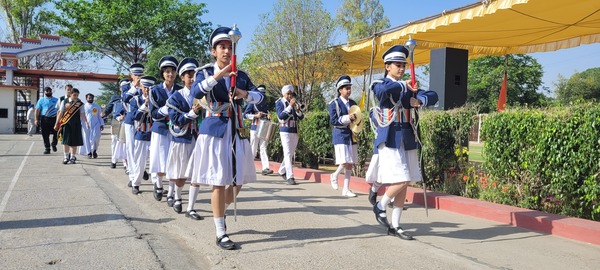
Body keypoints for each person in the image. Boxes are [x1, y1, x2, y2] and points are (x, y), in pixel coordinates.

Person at [189, 26, 265, 250]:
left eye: (229, 47)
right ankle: (220, 231)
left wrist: (244, 94)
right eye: (222, 47)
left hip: (237, 129)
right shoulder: (204, 72)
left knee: (237, 181)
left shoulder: (240, 75)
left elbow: (260, 96)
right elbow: (196, 92)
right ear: (214, 51)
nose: (226, 51)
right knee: (219, 182)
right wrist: (219, 76)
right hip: (214, 131)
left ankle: (219, 209)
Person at [370, 45, 438, 240]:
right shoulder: (380, 83)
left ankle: (396, 225)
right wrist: (404, 86)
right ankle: (380, 205)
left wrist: (420, 100)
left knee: (405, 182)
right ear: (387, 66)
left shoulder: (408, 87)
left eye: (403, 65)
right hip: (390, 137)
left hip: (407, 137)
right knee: (403, 178)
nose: (401, 68)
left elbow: (433, 94)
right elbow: (383, 92)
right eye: (397, 65)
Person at [165, 57, 202, 219]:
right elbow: (175, 120)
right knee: (180, 175)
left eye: (195, 75)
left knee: (197, 173)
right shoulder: (175, 97)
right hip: (181, 140)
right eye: (189, 75)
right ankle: (178, 197)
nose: (192, 79)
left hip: (199, 139)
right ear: (182, 77)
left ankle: (191, 207)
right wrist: (192, 113)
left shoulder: (203, 95)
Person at [149, 56, 182, 202]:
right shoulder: (154, 90)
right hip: (161, 129)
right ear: (162, 73)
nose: (170, 74)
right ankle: (159, 185)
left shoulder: (180, 90)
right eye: (167, 71)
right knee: (161, 161)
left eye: (173, 71)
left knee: (174, 162)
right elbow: (153, 113)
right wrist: (167, 110)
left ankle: (172, 192)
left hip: (176, 130)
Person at [328, 75, 358, 197]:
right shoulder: (334, 103)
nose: (349, 90)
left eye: (349, 87)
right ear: (340, 90)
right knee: (345, 160)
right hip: (340, 134)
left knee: (350, 163)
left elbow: (357, 118)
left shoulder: (353, 103)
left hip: (351, 134)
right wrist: (347, 118)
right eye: (346, 88)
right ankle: (334, 175)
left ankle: (346, 189)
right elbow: (333, 120)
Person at [129, 76, 156, 194]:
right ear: (141, 87)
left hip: (154, 134)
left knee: (156, 161)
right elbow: (135, 116)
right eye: (145, 87)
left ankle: (157, 185)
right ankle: (136, 184)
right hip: (141, 133)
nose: (147, 90)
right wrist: (145, 105)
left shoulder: (156, 99)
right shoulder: (135, 100)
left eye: (150, 88)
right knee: (139, 161)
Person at [122, 63, 149, 180]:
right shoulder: (126, 86)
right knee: (131, 148)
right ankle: (133, 176)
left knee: (144, 148)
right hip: (130, 120)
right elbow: (125, 99)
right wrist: (134, 87)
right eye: (136, 74)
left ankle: (141, 168)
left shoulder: (146, 86)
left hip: (143, 121)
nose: (139, 77)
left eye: (140, 74)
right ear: (131, 75)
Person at [276, 85, 304, 185]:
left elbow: (301, 117)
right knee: (287, 153)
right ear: (283, 94)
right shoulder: (279, 102)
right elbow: (281, 116)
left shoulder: (294, 103)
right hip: (285, 130)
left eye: (291, 94)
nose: (290, 96)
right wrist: (290, 106)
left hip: (294, 130)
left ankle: (281, 171)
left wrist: (297, 110)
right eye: (288, 94)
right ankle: (290, 176)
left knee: (290, 153)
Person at [244, 84, 273, 175]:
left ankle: (266, 168)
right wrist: (255, 116)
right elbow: (245, 115)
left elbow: (266, 114)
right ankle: (248, 167)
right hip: (255, 127)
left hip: (264, 126)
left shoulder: (265, 104)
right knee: (253, 147)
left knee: (263, 147)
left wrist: (268, 116)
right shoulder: (252, 103)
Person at [54, 88, 88, 164]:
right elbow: (61, 112)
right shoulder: (64, 101)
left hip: (76, 124)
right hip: (66, 123)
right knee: (65, 141)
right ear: (70, 94)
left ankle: (72, 157)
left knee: (74, 141)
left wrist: (86, 122)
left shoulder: (79, 103)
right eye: (74, 95)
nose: (76, 96)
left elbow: (82, 114)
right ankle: (66, 157)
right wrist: (57, 123)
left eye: (77, 95)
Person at [103, 80, 128, 169]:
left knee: (124, 142)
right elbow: (108, 109)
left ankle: (125, 162)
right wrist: (104, 114)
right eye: (123, 86)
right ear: (120, 88)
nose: (125, 88)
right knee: (115, 140)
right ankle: (114, 160)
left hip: (127, 121)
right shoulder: (115, 98)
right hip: (116, 121)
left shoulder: (132, 97)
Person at [35, 87, 59, 154]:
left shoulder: (56, 100)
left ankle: (54, 144)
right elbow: (37, 110)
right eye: (47, 91)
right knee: (45, 134)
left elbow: (60, 110)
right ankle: (47, 148)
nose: (48, 92)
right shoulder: (41, 100)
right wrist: (36, 119)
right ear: (44, 92)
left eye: (50, 91)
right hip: (45, 119)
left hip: (54, 118)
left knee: (56, 133)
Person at [79, 93, 104, 158]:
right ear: (86, 98)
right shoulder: (83, 106)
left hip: (96, 124)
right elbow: (82, 116)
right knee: (86, 138)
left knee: (96, 138)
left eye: (91, 98)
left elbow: (99, 116)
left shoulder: (97, 106)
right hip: (85, 125)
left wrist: (101, 124)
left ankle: (94, 150)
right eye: (89, 98)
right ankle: (89, 152)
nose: (90, 99)